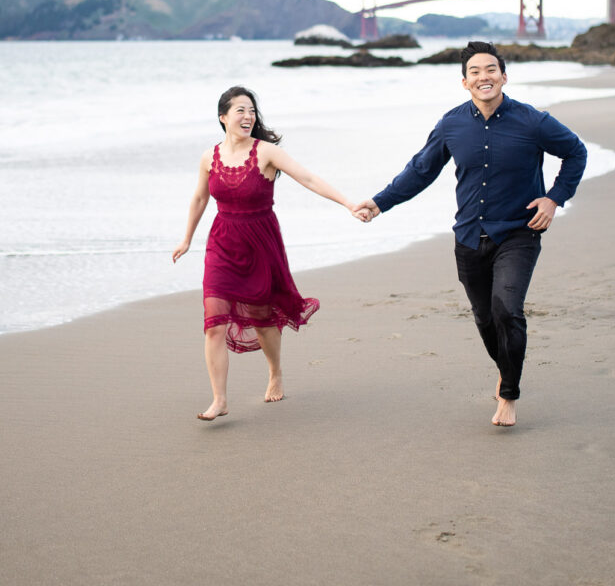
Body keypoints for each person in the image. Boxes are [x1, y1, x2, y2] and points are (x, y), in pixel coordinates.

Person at [356, 41, 587, 428]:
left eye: (491, 70)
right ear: (465, 82)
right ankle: (506, 368)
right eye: (475, 72)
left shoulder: (532, 121)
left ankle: (509, 394)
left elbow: (576, 152)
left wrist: (553, 199)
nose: (484, 77)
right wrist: (380, 203)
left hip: (519, 232)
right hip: (468, 237)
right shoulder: (451, 124)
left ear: (504, 76)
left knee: (506, 309)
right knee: (484, 319)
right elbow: (421, 170)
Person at [173, 85, 369, 420]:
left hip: (260, 243)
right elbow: (200, 198)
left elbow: (307, 178)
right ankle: (219, 399)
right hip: (221, 243)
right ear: (223, 117)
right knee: (214, 323)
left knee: (263, 319)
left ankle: (275, 371)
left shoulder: (266, 152)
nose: (248, 116)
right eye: (240, 110)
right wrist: (186, 238)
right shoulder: (210, 156)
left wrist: (349, 203)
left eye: (251, 110)